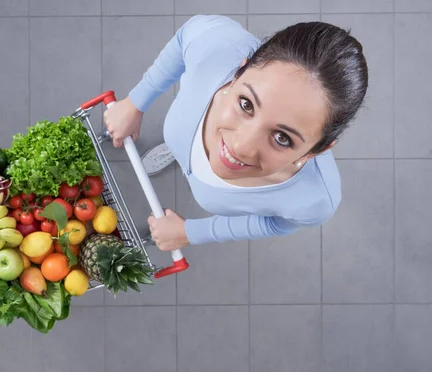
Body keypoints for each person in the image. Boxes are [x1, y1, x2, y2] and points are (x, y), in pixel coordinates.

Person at [103, 15, 368, 252]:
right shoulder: (218, 45)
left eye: (282, 138)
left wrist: (189, 233)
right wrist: (134, 103)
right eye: (246, 104)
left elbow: (277, 225)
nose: (239, 147)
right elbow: (187, 35)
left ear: (316, 151)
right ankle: (178, 149)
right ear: (240, 70)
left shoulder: (315, 199)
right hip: (182, 132)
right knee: (179, 137)